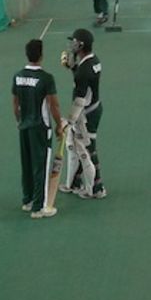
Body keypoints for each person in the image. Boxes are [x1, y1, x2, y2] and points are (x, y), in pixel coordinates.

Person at [12, 39, 64, 219]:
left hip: (24, 127)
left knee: (26, 164)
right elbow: (54, 106)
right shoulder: (46, 78)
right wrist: (59, 125)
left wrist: (20, 121)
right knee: (40, 166)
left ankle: (27, 200)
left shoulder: (18, 76)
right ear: (41, 55)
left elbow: (15, 105)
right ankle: (39, 207)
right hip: (40, 128)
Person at [59, 27, 106, 200]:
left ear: (81, 45)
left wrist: (69, 121)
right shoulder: (94, 60)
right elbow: (82, 75)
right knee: (73, 145)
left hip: (86, 114)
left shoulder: (83, 71)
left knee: (86, 150)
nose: (72, 45)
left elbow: (80, 99)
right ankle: (74, 183)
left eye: (74, 42)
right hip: (92, 108)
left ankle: (96, 188)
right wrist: (72, 67)